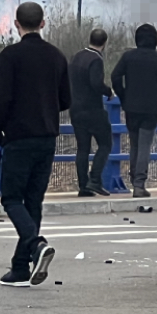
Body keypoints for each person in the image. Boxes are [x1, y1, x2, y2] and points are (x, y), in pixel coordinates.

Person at [0, 1, 70, 287]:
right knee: (33, 200)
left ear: (16, 24)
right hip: (47, 136)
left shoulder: (10, 57)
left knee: (11, 198)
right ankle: (21, 266)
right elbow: (66, 100)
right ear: (43, 24)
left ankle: (35, 245)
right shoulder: (57, 57)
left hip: (18, 135)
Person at [111, 24, 157, 198]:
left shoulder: (128, 57)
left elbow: (115, 76)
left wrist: (123, 96)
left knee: (134, 144)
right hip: (151, 108)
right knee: (144, 145)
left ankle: (134, 180)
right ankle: (139, 183)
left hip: (131, 107)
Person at [69, 28, 114, 197]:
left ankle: (83, 186)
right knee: (105, 143)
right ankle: (94, 179)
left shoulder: (77, 56)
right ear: (104, 43)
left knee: (83, 148)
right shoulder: (96, 60)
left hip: (75, 109)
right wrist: (108, 92)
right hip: (92, 110)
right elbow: (96, 83)